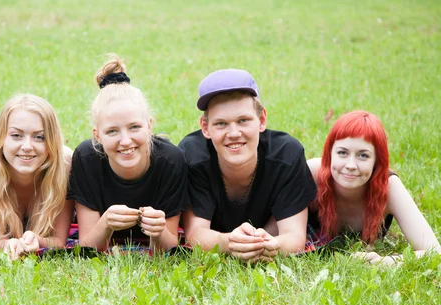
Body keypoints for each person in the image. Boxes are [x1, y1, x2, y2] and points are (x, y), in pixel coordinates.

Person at [179, 69, 316, 262]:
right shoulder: (193, 156)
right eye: (221, 124)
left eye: (243, 120)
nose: (234, 133)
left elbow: (295, 237)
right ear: (205, 128)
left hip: (268, 232)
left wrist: (268, 246)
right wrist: (230, 242)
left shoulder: (287, 154)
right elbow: (195, 235)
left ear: (261, 120)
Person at [67, 54, 188, 252]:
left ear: (149, 126)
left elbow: (170, 249)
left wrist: (159, 231)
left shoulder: (171, 161)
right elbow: (87, 248)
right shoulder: (86, 158)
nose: (125, 141)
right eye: (112, 131)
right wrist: (105, 223)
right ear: (97, 136)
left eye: (134, 127)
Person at [307, 110, 440, 265]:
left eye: (363, 155)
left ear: (377, 161)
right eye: (342, 152)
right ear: (330, 154)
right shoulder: (312, 174)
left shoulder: (389, 187)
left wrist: (384, 261)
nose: (351, 165)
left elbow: (434, 251)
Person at [0, 94, 74, 259]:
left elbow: (59, 241)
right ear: (2, 137)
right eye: (16, 135)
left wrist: (38, 241)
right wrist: (7, 244)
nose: (27, 146)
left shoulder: (65, 163)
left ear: (52, 141)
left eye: (39, 137)